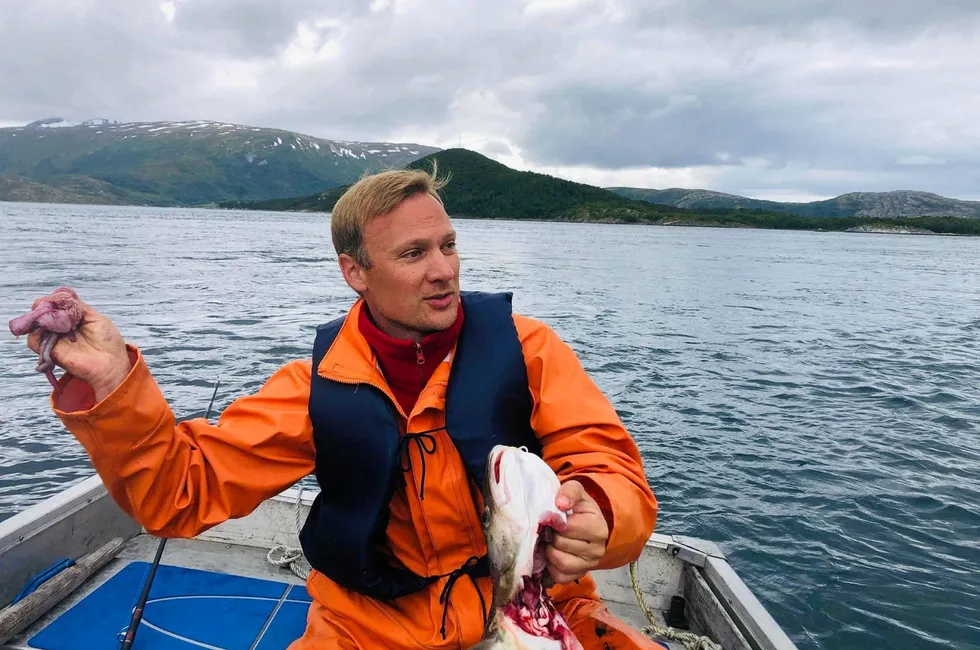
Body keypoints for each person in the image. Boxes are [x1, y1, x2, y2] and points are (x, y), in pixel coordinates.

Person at [23, 166, 660, 649]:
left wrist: (602, 513)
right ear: (354, 271)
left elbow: (606, 464)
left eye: (448, 245)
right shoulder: (315, 386)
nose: (444, 270)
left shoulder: (529, 350)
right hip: (367, 628)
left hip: (537, 604)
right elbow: (177, 493)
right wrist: (112, 384)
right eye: (414, 254)